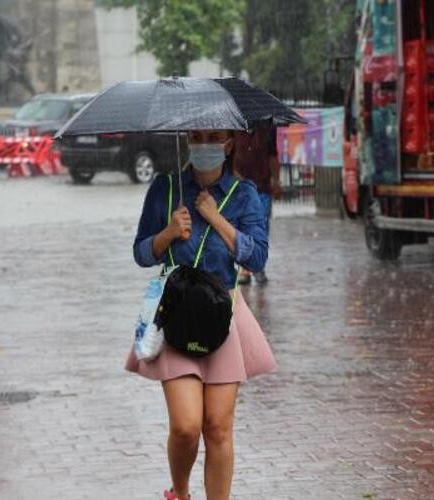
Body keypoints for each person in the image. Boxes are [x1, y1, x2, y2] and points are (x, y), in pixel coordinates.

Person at [126, 129, 277, 500]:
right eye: (196, 135)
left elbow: (256, 258)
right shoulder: (166, 188)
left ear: (227, 145)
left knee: (218, 428)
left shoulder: (245, 195)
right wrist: (168, 233)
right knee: (187, 426)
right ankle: (179, 492)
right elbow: (142, 253)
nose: (204, 143)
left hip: (223, 313)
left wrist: (217, 220)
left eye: (213, 136)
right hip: (176, 311)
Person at [232, 127, 281, 284]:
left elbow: (273, 155)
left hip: (262, 188)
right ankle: (244, 269)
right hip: (239, 188)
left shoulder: (267, 127)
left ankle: (259, 266)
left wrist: (276, 180)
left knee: (260, 227)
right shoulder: (233, 126)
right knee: (241, 228)